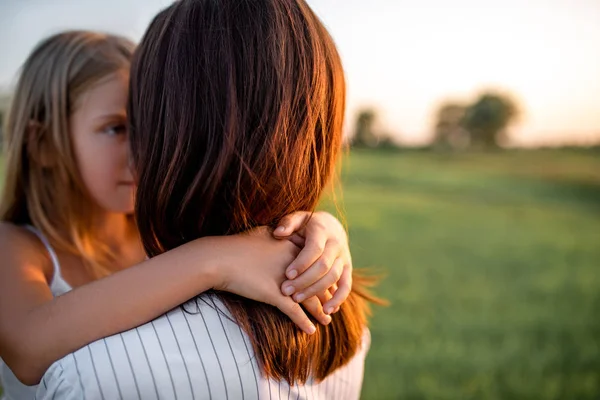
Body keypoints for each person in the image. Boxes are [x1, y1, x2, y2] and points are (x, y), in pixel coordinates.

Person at [36, 0, 378, 398]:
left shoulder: (91, 371)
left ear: (167, 135)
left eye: (136, 121)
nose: (129, 151)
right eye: (115, 128)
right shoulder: (342, 327)